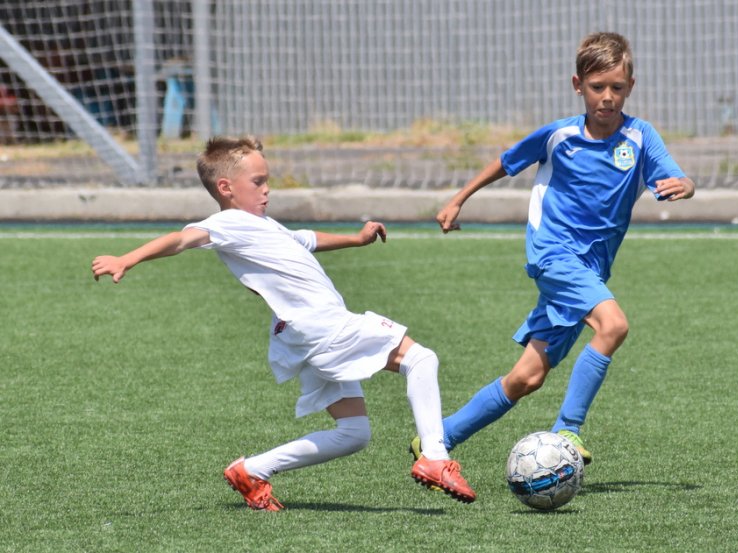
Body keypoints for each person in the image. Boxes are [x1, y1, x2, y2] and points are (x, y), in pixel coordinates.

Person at [91, 135, 476, 510]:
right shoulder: (228, 223)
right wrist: (128, 259)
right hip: (323, 326)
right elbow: (181, 239)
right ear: (226, 187)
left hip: (301, 335)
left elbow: (305, 238)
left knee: (353, 434)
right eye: (258, 182)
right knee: (420, 359)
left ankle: (251, 470)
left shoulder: (263, 225)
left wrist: (356, 239)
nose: (267, 190)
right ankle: (435, 456)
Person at [422, 32, 695, 465]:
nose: (607, 97)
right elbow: (506, 161)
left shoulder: (641, 137)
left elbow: (674, 175)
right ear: (577, 85)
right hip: (553, 256)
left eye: (617, 87)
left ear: (631, 86)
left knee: (526, 377)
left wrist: (687, 185)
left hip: (591, 268)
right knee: (613, 325)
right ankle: (568, 430)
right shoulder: (559, 135)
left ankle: (437, 440)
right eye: (597, 87)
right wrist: (458, 199)